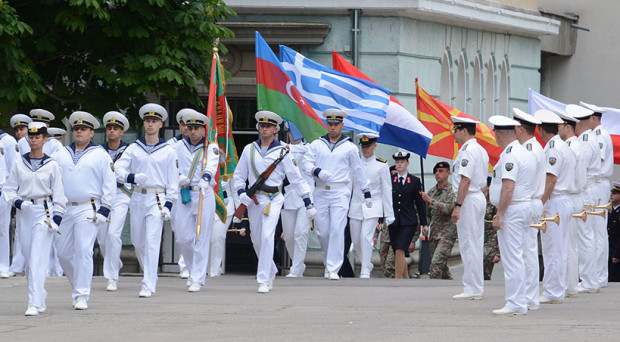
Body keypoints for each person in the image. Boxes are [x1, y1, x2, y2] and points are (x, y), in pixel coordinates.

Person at [233, 111, 315, 293]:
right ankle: (270, 268)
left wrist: (308, 202)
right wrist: (241, 193)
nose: (264, 128)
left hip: (273, 198)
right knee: (256, 239)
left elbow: (296, 178)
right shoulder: (249, 149)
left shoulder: (283, 152)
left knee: (268, 236)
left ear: (275, 129)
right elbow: (239, 176)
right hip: (254, 199)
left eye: (268, 126)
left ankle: (263, 279)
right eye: (262, 125)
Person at [52, 111, 116, 310]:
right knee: (62, 254)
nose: (79, 132)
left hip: (89, 207)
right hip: (65, 208)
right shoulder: (61, 153)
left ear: (91, 133)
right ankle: (78, 285)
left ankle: (82, 294)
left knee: (83, 250)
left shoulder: (100, 155)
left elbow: (109, 182)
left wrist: (105, 209)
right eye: (77, 129)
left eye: (84, 129)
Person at [115, 103, 179, 298]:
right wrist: (131, 178)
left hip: (157, 197)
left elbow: (173, 182)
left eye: (154, 121)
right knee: (137, 241)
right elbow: (118, 169)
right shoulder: (134, 148)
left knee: (152, 242)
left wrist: (168, 204)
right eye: (148, 121)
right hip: (137, 196)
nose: (150, 124)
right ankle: (148, 272)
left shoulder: (168, 150)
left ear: (161, 124)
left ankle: (148, 283)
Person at [3, 122, 67, 316]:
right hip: (25, 212)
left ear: (44, 139)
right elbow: (9, 189)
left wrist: (56, 219)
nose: (33, 140)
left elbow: (59, 197)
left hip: (44, 212)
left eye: (37, 137)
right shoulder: (19, 162)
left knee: (38, 257)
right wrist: (17, 203)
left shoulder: (52, 165)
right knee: (29, 257)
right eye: (30, 137)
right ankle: (39, 294)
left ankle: (33, 301)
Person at [301, 109, 371, 280]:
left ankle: (333, 268)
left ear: (341, 125)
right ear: (327, 125)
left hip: (340, 191)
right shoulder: (317, 144)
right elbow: (305, 162)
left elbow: (358, 170)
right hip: (321, 190)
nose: (333, 127)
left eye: (336, 124)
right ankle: (328, 263)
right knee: (323, 232)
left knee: (337, 229)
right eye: (330, 124)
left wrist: (366, 191)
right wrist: (317, 171)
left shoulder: (350, 147)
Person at [488, 115, 537, 315]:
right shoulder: (524, 151)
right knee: (520, 255)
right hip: (524, 206)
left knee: (512, 257)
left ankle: (516, 303)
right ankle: (522, 299)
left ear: (498, 134)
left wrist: (500, 214)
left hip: (513, 209)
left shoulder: (510, 154)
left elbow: (508, 186)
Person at [173, 110, 219, 292]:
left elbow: (212, 165)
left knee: (201, 236)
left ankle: (198, 278)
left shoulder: (211, 147)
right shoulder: (178, 146)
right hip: (184, 193)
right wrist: (178, 177)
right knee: (183, 238)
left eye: (197, 128)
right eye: (190, 128)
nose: (193, 132)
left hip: (203, 194)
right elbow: (171, 165)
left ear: (203, 129)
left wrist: (206, 179)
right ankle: (193, 271)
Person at [534, 109, 576, 304]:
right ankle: (558, 287)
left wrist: (540, 203)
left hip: (555, 200)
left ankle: (553, 290)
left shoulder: (552, 148)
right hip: (562, 199)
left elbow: (551, 179)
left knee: (553, 248)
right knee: (559, 247)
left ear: (541, 130)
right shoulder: (562, 145)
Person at [450, 116, 489, 300]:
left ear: (464, 131)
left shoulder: (468, 151)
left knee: (468, 243)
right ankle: (475, 286)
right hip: (476, 197)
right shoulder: (479, 149)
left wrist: (458, 205)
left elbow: (465, 179)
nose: (454, 134)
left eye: (455, 130)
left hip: (469, 199)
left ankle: (472, 287)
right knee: (474, 242)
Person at [348, 133, 394, 278]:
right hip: (356, 205)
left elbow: (386, 190)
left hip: (373, 206)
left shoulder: (381, 164)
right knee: (356, 240)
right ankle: (366, 263)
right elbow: (348, 186)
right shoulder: (354, 163)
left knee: (365, 237)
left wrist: (389, 214)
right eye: (363, 146)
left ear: (375, 145)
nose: (365, 149)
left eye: (368, 146)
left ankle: (364, 270)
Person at [566, 104, 600, 293]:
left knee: (584, 235)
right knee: (587, 235)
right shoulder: (589, 138)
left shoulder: (585, 141)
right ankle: (589, 278)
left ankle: (588, 280)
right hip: (588, 188)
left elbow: (581, 169)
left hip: (585, 189)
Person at [512, 108, 544, 310]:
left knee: (526, 252)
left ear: (521, 129)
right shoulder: (535, 146)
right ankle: (530, 296)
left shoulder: (529, 149)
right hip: (532, 201)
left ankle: (529, 296)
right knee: (528, 251)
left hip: (528, 201)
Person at [580, 101, 613, 288]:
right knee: (596, 231)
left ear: (593, 118)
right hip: (598, 183)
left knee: (596, 231)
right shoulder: (598, 135)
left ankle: (597, 276)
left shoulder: (598, 136)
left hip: (597, 183)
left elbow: (595, 161)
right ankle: (598, 276)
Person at [99, 111, 131, 291]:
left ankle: (112, 277)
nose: (112, 131)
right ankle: (115, 261)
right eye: (109, 128)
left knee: (113, 235)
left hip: (121, 194)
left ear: (122, 132)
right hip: (103, 196)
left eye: (116, 128)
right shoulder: (98, 150)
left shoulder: (129, 150)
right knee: (103, 240)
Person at [555, 109, 587, 298]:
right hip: (574, 194)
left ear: (567, 126)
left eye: (559, 126)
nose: (557, 129)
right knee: (570, 244)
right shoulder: (575, 144)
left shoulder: (570, 146)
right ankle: (570, 284)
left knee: (567, 244)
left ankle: (568, 285)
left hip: (571, 194)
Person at [280, 129, 314, 278]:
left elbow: (306, 149)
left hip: (306, 198)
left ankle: (296, 268)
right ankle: (298, 263)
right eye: (290, 132)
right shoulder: (282, 149)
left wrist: (290, 147)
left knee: (300, 233)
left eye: (294, 131)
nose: (292, 135)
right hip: (288, 197)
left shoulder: (310, 147)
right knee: (288, 236)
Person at [389, 151, 427, 279]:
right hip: (394, 221)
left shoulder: (414, 181)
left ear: (407, 163)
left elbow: (420, 204)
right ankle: (406, 279)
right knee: (397, 251)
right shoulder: (390, 180)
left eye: (402, 162)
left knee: (400, 248)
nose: (399, 164)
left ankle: (397, 279)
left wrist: (424, 224)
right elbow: (385, 201)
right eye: (397, 162)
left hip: (408, 221)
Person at [420, 161, 456, 280]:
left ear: (448, 173)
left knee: (436, 264)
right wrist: (425, 225)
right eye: (435, 171)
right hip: (434, 234)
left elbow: (448, 209)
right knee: (442, 267)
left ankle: (432, 290)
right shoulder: (431, 192)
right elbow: (427, 213)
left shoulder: (452, 191)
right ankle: (449, 285)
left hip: (447, 235)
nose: (437, 174)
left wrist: (431, 201)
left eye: (441, 171)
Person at [7, 114, 32, 277]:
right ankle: (17, 266)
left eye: (22, 129)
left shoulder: (30, 143)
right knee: (19, 232)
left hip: (35, 194)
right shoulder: (18, 145)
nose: (19, 132)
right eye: (17, 129)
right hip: (20, 193)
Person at [168, 109, 192, 279]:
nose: (186, 128)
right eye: (183, 124)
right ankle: (184, 263)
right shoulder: (170, 145)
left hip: (197, 191)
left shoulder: (204, 144)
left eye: (189, 125)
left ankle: (190, 264)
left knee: (195, 231)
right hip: (178, 190)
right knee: (180, 230)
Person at [0, 113, 19, 279]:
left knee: (2, 230)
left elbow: (14, 168)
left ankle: (3, 265)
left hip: (1, 190)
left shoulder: (7, 141)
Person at [482, 178, 499, 281]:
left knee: (482, 260)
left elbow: (500, 227)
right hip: (480, 238)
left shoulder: (494, 203)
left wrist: (498, 253)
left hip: (491, 240)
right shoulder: (479, 201)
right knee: (483, 271)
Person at [608, 182, 620, 282]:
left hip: (616, 252)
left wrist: (617, 255)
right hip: (608, 251)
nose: (612, 195)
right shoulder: (609, 210)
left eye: (615, 193)